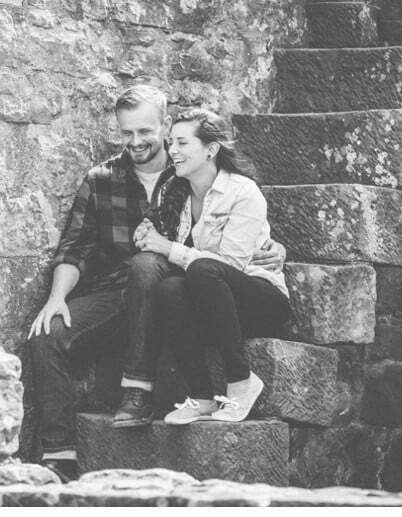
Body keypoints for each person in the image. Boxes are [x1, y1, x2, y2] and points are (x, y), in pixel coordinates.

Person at [26, 86, 285, 482]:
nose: (136, 142)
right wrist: (56, 298)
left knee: (149, 265)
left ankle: (138, 388)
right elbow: (74, 247)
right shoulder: (102, 179)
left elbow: (236, 236)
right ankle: (58, 457)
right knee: (46, 334)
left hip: (181, 286)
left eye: (145, 132)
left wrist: (275, 249)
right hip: (119, 294)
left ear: (165, 127)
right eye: (126, 133)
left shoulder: (186, 169)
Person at [134, 108, 291, 425]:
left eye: (181, 143)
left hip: (260, 302)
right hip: (212, 307)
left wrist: (169, 248)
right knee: (169, 288)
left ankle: (241, 382)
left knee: (203, 269)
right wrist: (146, 233)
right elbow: (160, 240)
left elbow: (229, 264)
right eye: (170, 143)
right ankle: (202, 396)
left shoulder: (242, 192)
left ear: (211, 149)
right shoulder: (173, 191)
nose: (172, 151)